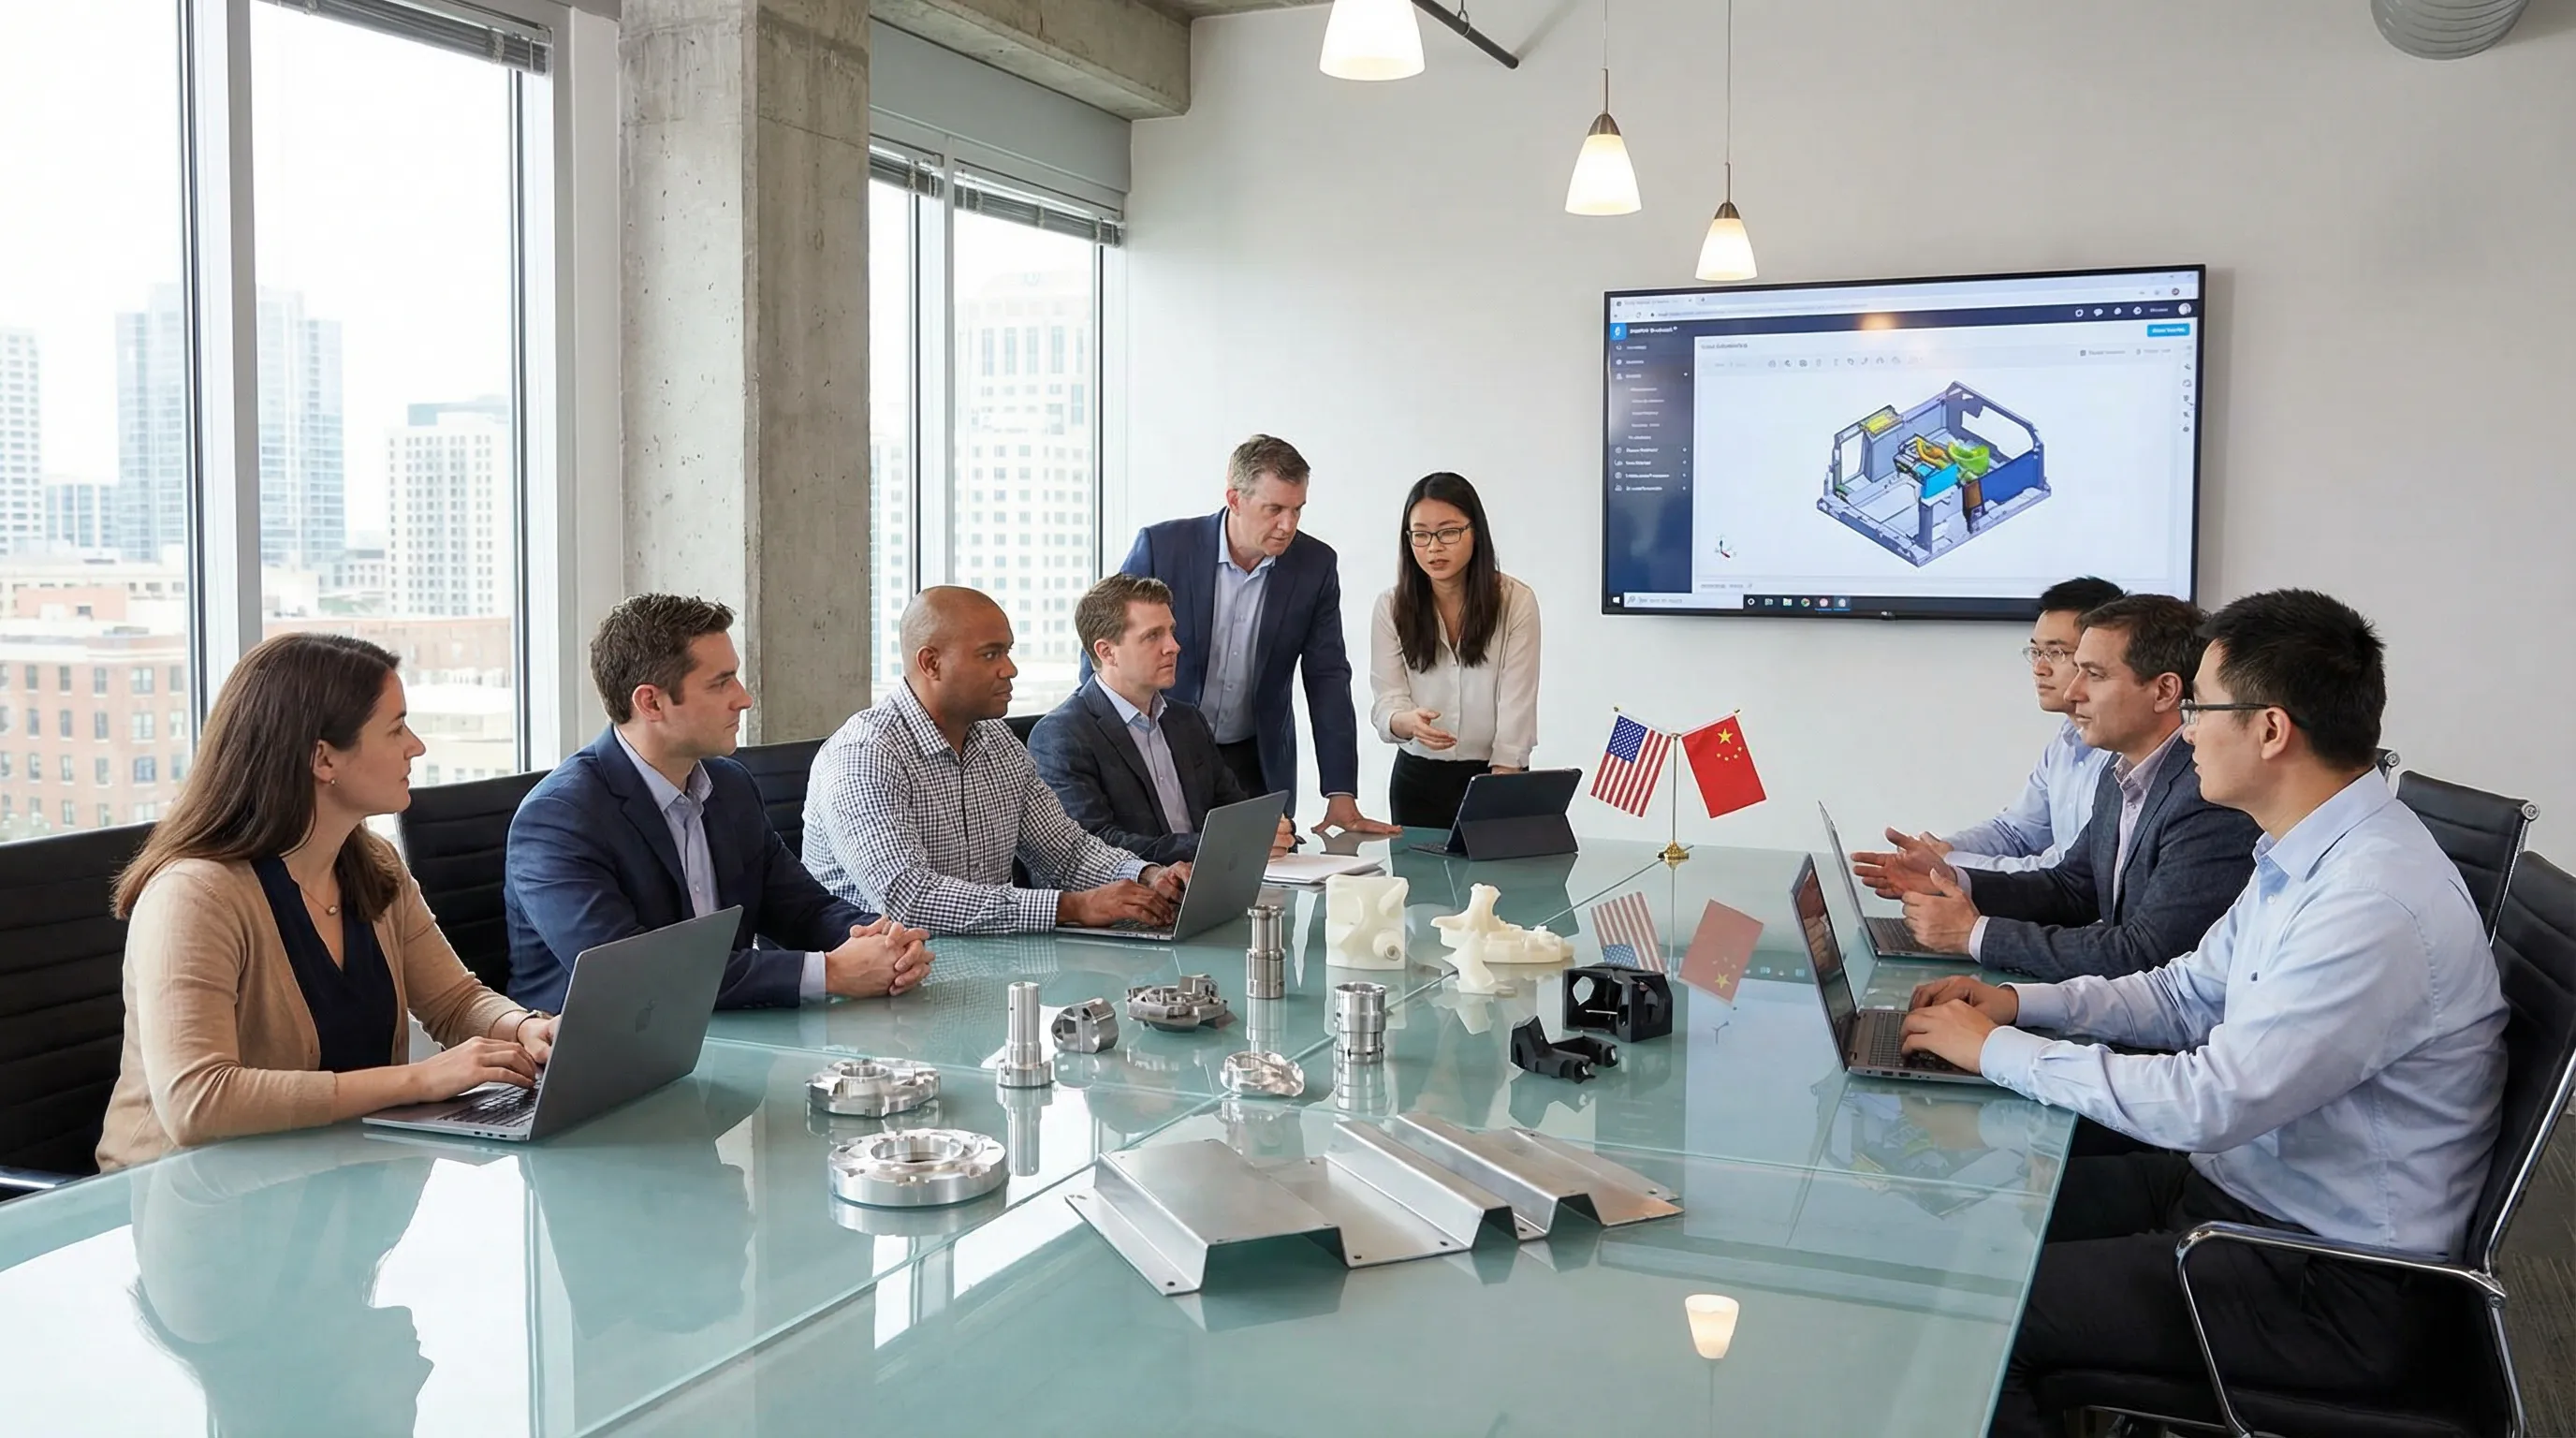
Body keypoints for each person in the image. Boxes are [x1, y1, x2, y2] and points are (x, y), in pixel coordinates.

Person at [1897, 590, 2506, 1438]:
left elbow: (2212, 1103)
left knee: (1978, 1315)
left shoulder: (2371, 903)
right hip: (2242, 1198)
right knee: (1969, 1216)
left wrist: (2001, 1050)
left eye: (2200, 709)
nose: (2184, 731)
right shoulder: (2305, 848)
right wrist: (2015, 1002)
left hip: (2323, 1282)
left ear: (2270, 729)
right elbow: (2185, 991)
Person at [98, 634, 559, 1171]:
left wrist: (526, 1027)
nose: (416, 746)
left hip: (329, 1186)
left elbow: (455, 1002)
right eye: (395, 729)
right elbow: (197, 1102)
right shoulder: (194, 895)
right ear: (323, 759)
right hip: (189, 1204)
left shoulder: (373, 866)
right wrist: (418, 1080)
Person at [504, 594, 931, 1013]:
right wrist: (830, 972)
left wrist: (881, 942)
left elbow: (802, 908)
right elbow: (630, 974)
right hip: (599, 1059)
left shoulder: (730, 785)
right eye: (720, 683)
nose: (743, 698)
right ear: (650, 702)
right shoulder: (557, 819)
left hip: (725, 1035)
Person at [1854, 594, 2260, 980]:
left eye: (2094, 675)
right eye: (2077, 668)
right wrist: (1952, 879)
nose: (2072, 691)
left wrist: (1975, 935)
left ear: (2165, 691)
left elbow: (2147, 953)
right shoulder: (2121, 772)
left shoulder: (2207, 794)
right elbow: (2070, 888)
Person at [804, 586, 1191, 934]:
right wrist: (1071, 907)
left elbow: (1065, 851)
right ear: (930, 664)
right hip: (880, 989)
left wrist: (1147, 876)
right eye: (991, 654)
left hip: (988, 965)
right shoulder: (864, 755)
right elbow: (909, 898)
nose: (1010, 669)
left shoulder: (997, 742)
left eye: (1007, 651)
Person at [1109, 433, 1398, 836]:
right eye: (1274, 509)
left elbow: (1328, 677)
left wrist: (1341, 792)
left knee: (1267, 884)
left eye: (1298, 510)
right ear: (1235, 499)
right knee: (1168, 877)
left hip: (1255, 760)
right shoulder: (1164, 547)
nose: (1288, 525)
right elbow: (1106, 648)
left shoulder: (1314, 565)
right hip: (1160, 749)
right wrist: (1101, 747)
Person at [1030, 574, 1295, 864]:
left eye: (1171, 631)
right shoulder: (1061, 735)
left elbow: (1231, 809)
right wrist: (1222, 843)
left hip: (1212, 885)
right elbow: (1095, 846)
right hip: (1134, 899)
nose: (1173, 646)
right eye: (1153, 636)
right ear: (1107, 652)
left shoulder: (1187, 720)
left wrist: (1269, 829)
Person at [1877, 576, 2123, 873]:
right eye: (2035, 652)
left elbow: (2069, 871)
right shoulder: (2067, 740)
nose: (2039, 668)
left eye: (2056, 653)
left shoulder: (2124, 752)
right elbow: (2015, 832)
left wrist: (1948, 862)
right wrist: (1941, 850)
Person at [1367, 471, 1542, 829]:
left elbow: (1517, 705)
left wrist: (1502, 780)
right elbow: (1388, 701)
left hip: (1496, 775)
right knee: (1420, 886)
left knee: (1498, 887)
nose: (1433, 548)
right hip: (1418, 780)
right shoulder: (1391, 606)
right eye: (1421, 535)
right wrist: (1407, 722)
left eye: (1448, 532)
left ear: (1475, 532)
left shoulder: (1515, 602)